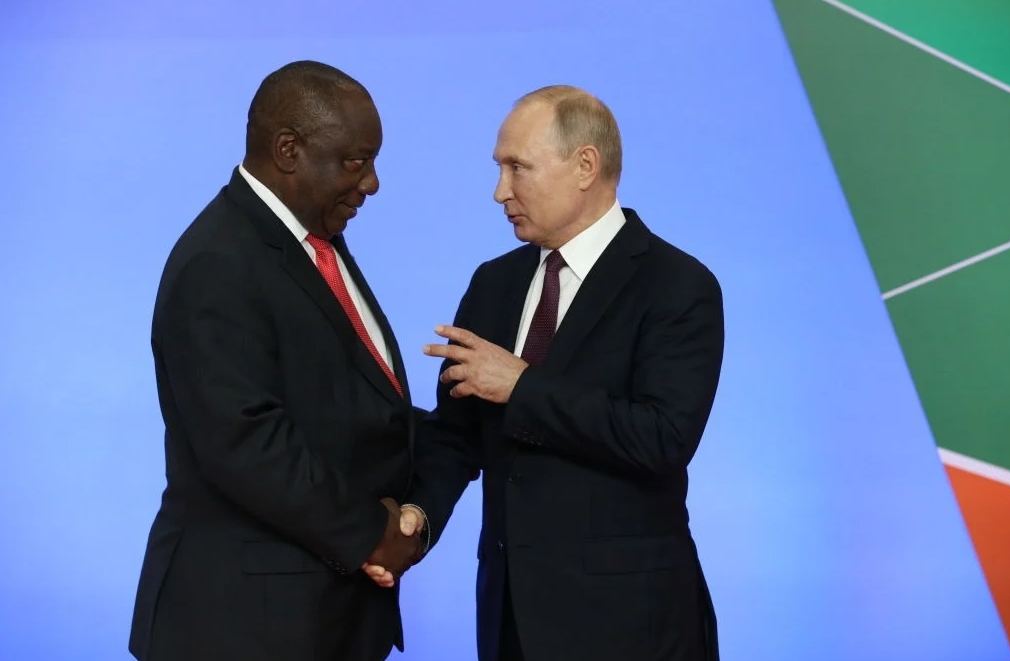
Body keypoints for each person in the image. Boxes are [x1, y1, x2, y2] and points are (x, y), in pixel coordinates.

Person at [368, 85, 725, 660]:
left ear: (585, 165)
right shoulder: (493, 283)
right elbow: (456, 436)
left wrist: (521, 387)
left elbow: (662, 438)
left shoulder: (677, 285)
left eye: (518, 167)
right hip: (511, 623)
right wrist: (417, 516)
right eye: (499, 168)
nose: (500, 191)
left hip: (632, 627)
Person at [128, 60, 424, 661]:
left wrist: (421, 502)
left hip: (322, 618)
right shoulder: (218, 261)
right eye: (356, 161)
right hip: (242, 626)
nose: (371, 183)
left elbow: (350, 407)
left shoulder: (313, 241)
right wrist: (373, 534)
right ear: (288, 150)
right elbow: (245, 442)